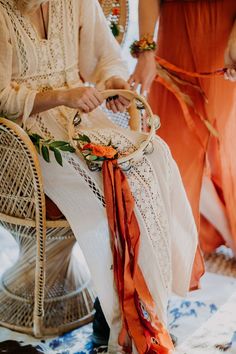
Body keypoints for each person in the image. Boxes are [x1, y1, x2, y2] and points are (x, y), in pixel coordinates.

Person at [0, 0, 199, 352]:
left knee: (155, 157)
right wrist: (63, 95)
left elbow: (105, 56)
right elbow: (2, 98)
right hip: (24, 141)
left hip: (81, 119)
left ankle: (145, 311)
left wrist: (113, 80)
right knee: (107, 191)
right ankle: (115, 321)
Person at [130, 0, 236, 256]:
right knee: (170, 152)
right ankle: (217, 231)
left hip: (222, 41)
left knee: (218, 149)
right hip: (174, 40)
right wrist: (146, 51)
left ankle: (226, 232)